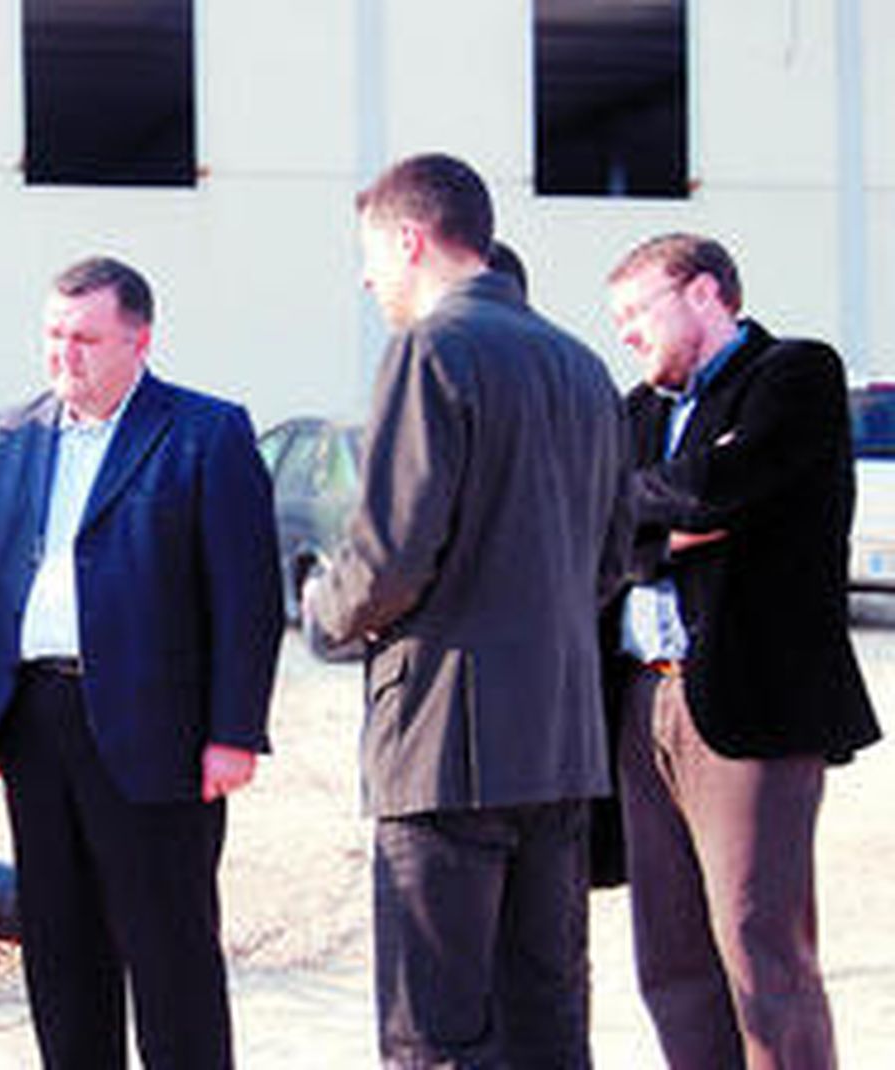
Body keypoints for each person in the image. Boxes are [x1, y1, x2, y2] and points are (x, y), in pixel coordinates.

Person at [303, 153, 625, 1067]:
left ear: (410, 240)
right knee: (547, 1023)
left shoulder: (431, 350)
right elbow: (611, 559)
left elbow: (390, 554)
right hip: (561, 747)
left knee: (436, 1031)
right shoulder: (583, 367)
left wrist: (323, 611)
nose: (368, 278)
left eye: (371, 255)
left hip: (444, 748)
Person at [0, 255, 283, 1067]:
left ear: (140, 340)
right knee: (60, 951)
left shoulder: (204, 432)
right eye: (55, 336)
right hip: (35, 722)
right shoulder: (12, 432)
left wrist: (234, 731)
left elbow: (248, 598)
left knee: (171, 956)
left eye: (87, 338)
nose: (66, 354)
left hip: (157, 732)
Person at [603, 233, 881, 1068]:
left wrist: (662, 512)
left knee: (761, 953)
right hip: (640, 703)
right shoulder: (638, 410)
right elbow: (607, 519)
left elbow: (726, 489)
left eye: (635, 312)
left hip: (749, 706)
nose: (625, 335)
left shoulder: (794, 376)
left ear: (704, 294)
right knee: (671, 960)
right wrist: (668, 529)